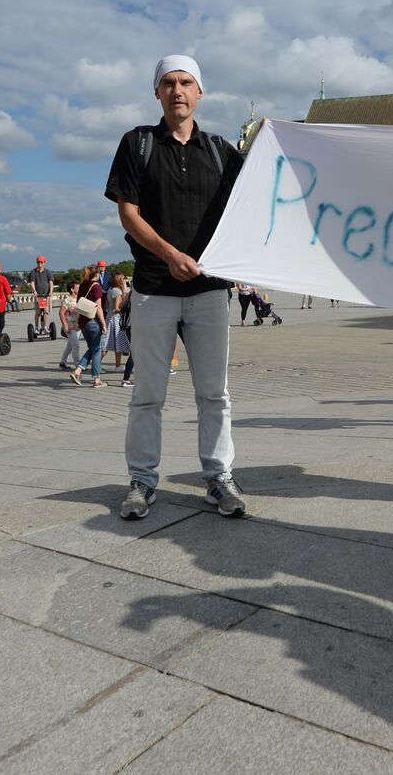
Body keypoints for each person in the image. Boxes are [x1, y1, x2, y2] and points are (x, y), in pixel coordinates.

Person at [106, 54, 245, 519]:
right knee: (148, 393)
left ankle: (218, 477)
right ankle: (142, 480)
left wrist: (272, 140)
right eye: (168, 83)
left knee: (214, 392)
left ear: (200, 92)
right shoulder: (138, 143)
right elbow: (129, 213)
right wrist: (170, 255)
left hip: (209, 290)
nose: (178, 90)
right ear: (157, 93)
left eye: (186, 83)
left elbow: (258, 197)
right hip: (153, 288)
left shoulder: (222, 151)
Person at [70, 264, 107, 388]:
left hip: (83, 322)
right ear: (96, 274)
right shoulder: (96, 287)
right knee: (96, 350)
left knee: (92, 348)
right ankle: (97, 379)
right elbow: (99, 308)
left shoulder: (83, 285)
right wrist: (103, 323)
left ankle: (78, 371)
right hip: (93, 321)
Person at [101, 272, 132, 374]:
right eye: (123, 279)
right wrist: (125, 298)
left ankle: (117, 365)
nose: (125, 281)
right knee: (111, 343)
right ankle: (97, 363)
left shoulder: (111, 289)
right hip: (116, 318)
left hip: (110, 317)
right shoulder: (117, 291)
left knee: (114, 343)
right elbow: (117, 308)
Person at [28, 256, 54, 332]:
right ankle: (36, 327)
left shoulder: (48, 272)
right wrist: (34, 291)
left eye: (41, 262)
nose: (39, 264)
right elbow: (32, 283)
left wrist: (51, 292)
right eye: (38, 262)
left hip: (46, 296)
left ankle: (45, 327)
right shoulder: (33, 272)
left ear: (44, 263)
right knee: (38, 313)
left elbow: (51, 283)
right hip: (38, 296)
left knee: (46, 312)